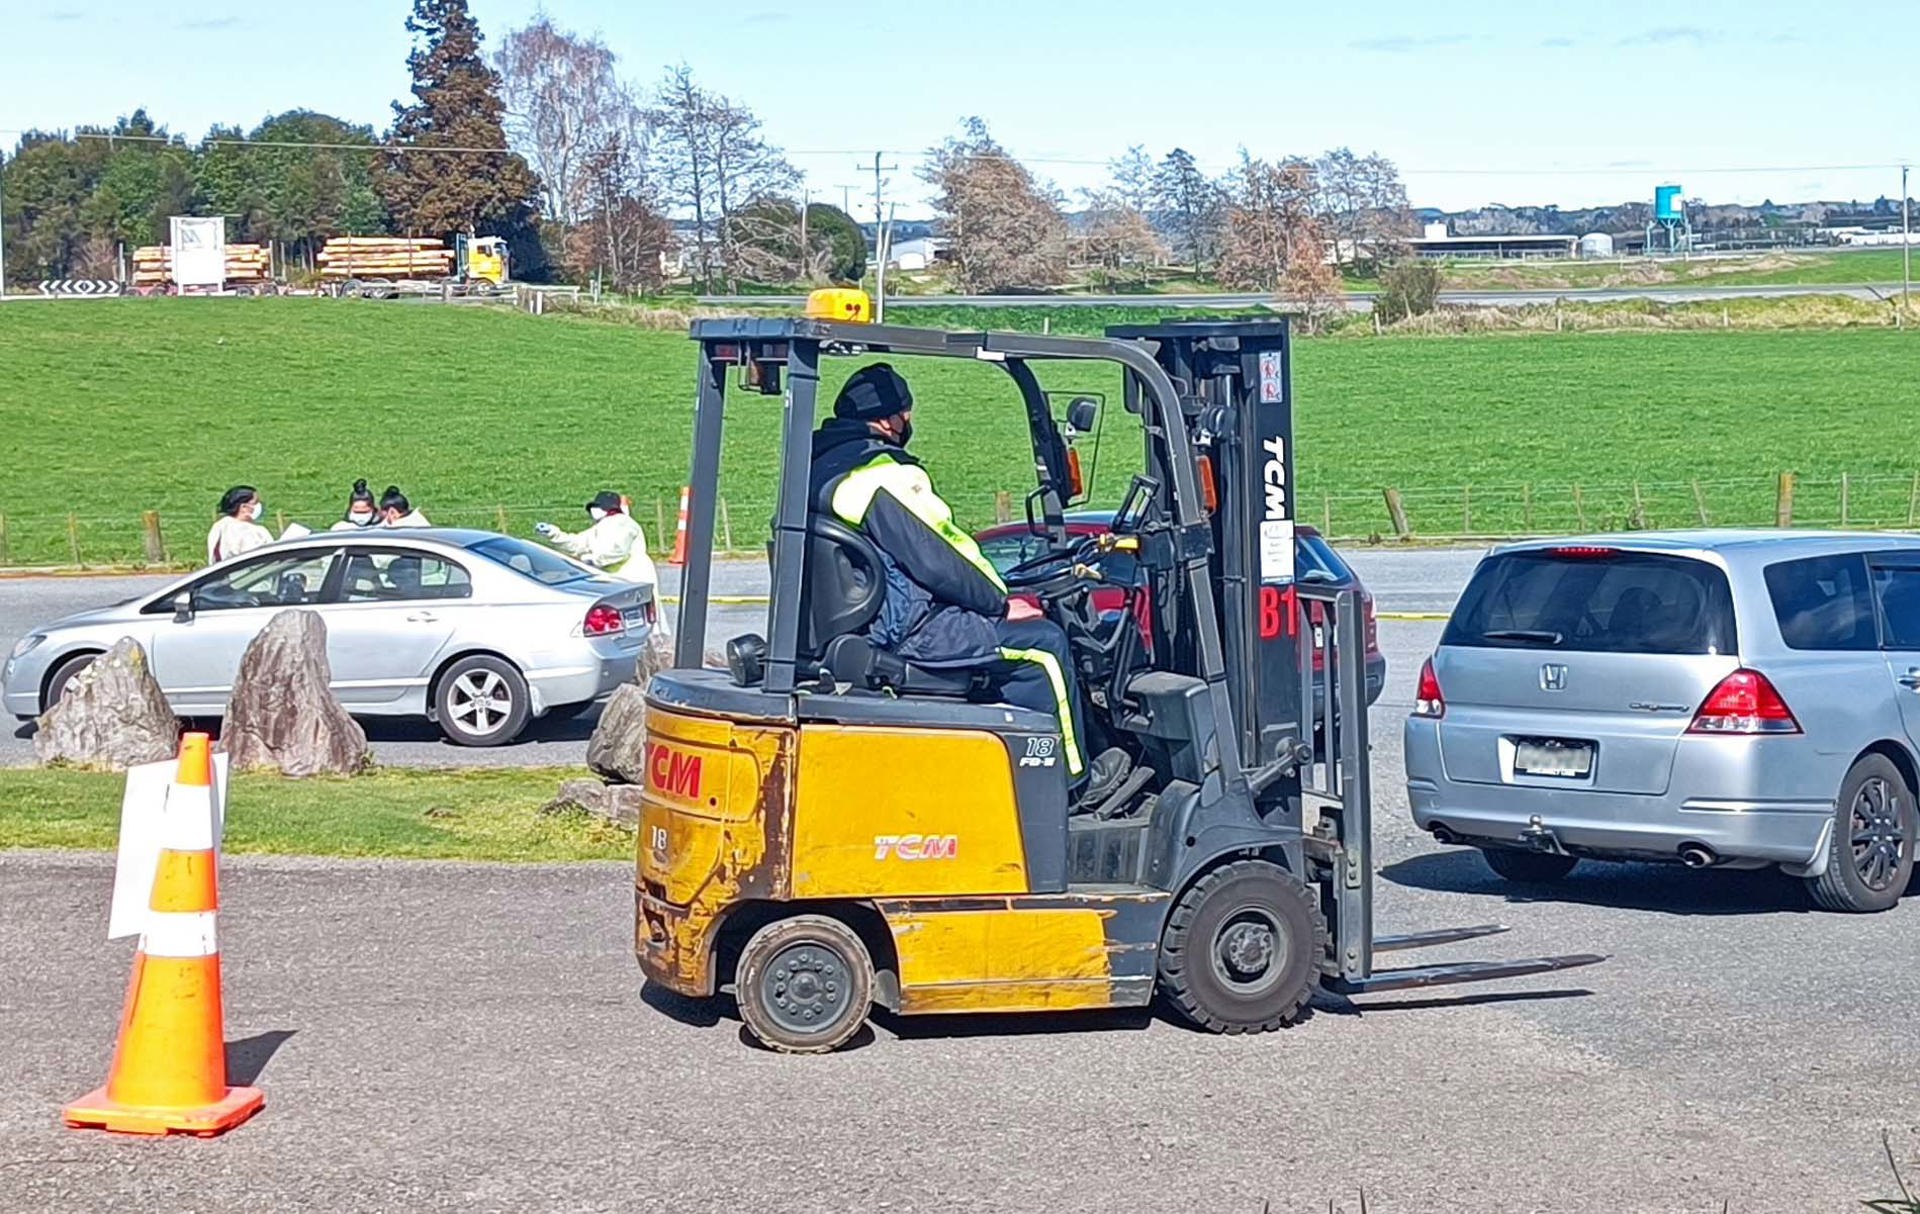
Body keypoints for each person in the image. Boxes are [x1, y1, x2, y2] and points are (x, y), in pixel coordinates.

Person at [807, 362, 1128, 803]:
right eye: (908, 414)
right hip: (913, 631)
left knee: (1023, 640)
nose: (909, 423)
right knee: (1045, 646)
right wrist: (1000, 602)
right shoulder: (883, 474)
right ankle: (1073, 787)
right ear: (890, 419)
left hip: (875, 623)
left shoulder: (820, 467)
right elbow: (943, 557)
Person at [536, 492, 656, 581]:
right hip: (616, 578)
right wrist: (552, 533)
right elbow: (577, 544)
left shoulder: (624, 523)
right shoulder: (601, 527)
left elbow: (617, 551)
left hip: (635, 577)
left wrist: (592, 560)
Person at [207, 485, 272, 564]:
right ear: (244, 507)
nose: (259, 505)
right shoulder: (249, 531)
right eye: (255, 502)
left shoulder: (219, 526)